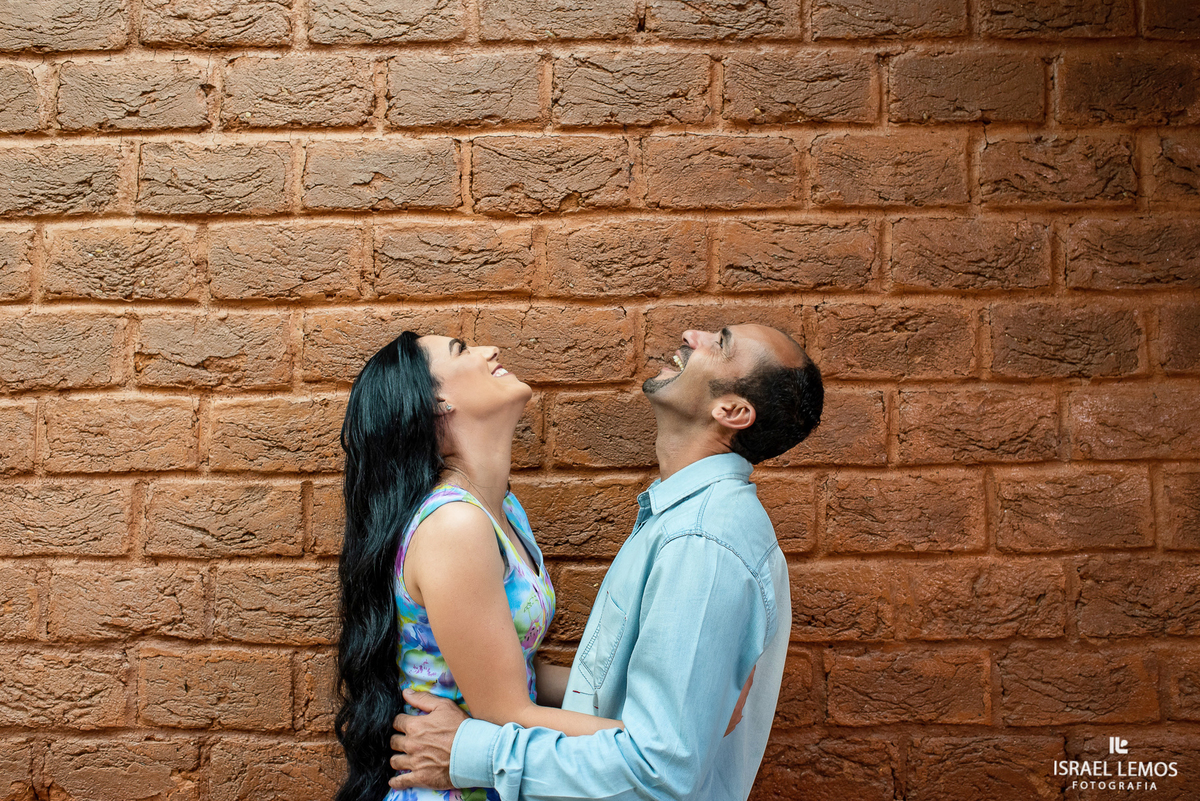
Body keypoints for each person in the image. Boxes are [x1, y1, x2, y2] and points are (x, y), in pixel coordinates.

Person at [388, 324, 824, 801]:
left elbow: (661, 765)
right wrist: (695, 719)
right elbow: (520, 690)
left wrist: (472, 751)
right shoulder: (468, 520)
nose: (690, 334)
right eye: (462, 350)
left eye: (719, 344)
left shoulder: (700, 539)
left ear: (733, 412)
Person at [335, 331, 626, 801]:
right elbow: (508, 713)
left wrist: (649, 693)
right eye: (462, 350)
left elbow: (520, 677)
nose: (490, 351)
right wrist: (662, 742)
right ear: (437, 405)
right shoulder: (455, 525)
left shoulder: (504, 510)